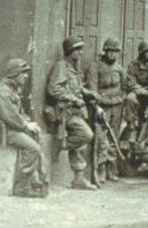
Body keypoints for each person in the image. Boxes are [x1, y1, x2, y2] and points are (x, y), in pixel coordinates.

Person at [0, 58, 47, 198]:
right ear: (15, 74)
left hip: (12, 128)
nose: (26, 76)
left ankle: (34, 180)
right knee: (33, 148)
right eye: (23, 73)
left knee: (37, 138)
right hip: (3, 131)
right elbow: (9, 116)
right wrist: (26, 125)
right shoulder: (1, 92)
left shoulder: (12, 89)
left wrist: (30, 124)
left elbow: (19, 113)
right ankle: (23, 186)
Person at [47, 36, 97, 191]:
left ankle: (78, 178)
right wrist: (73, 99)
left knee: (80, 145)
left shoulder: (75, 67)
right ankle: (57, 147)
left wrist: (89, 93)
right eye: (78, 49)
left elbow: (76, 87)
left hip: (77, 111)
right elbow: (53, 88)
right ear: (70, 51)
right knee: (86, 135)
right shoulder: (61, 66)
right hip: (66, 112)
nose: (81, 53)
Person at [85, 38, 125, 182]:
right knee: (101, 139)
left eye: (115, 52)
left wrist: (122, 100)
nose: (113, 55)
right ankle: (100, 170)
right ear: (105, 51)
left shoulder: (119, 69)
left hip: (117, 106)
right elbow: (92, 87)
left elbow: (125, 87)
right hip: (102, 106)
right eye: (110, 51)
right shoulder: (95, 66)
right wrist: (97, 104)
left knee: (114, 138)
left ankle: (111, 169)